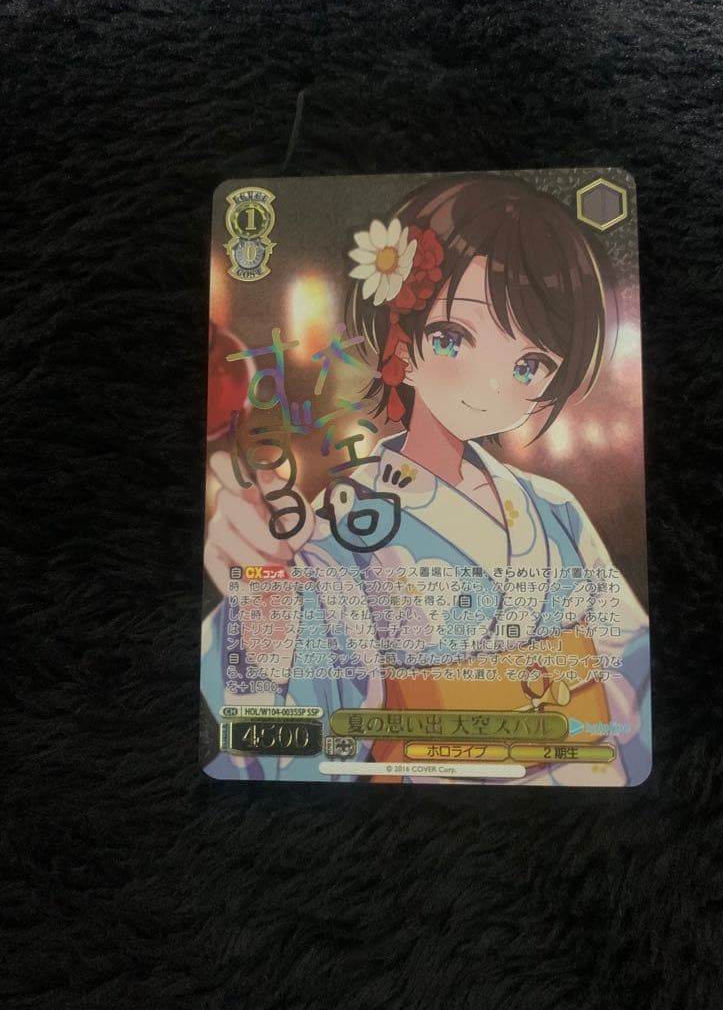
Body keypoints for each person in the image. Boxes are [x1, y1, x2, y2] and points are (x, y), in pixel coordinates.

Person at [201, 176, 651, 785]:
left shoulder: (554, 510)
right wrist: (264, 590)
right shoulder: (343, 526)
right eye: (452, 339)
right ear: (402, 348)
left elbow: (636, 674)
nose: (491, 386)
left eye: (529, 364)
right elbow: (293, 735)